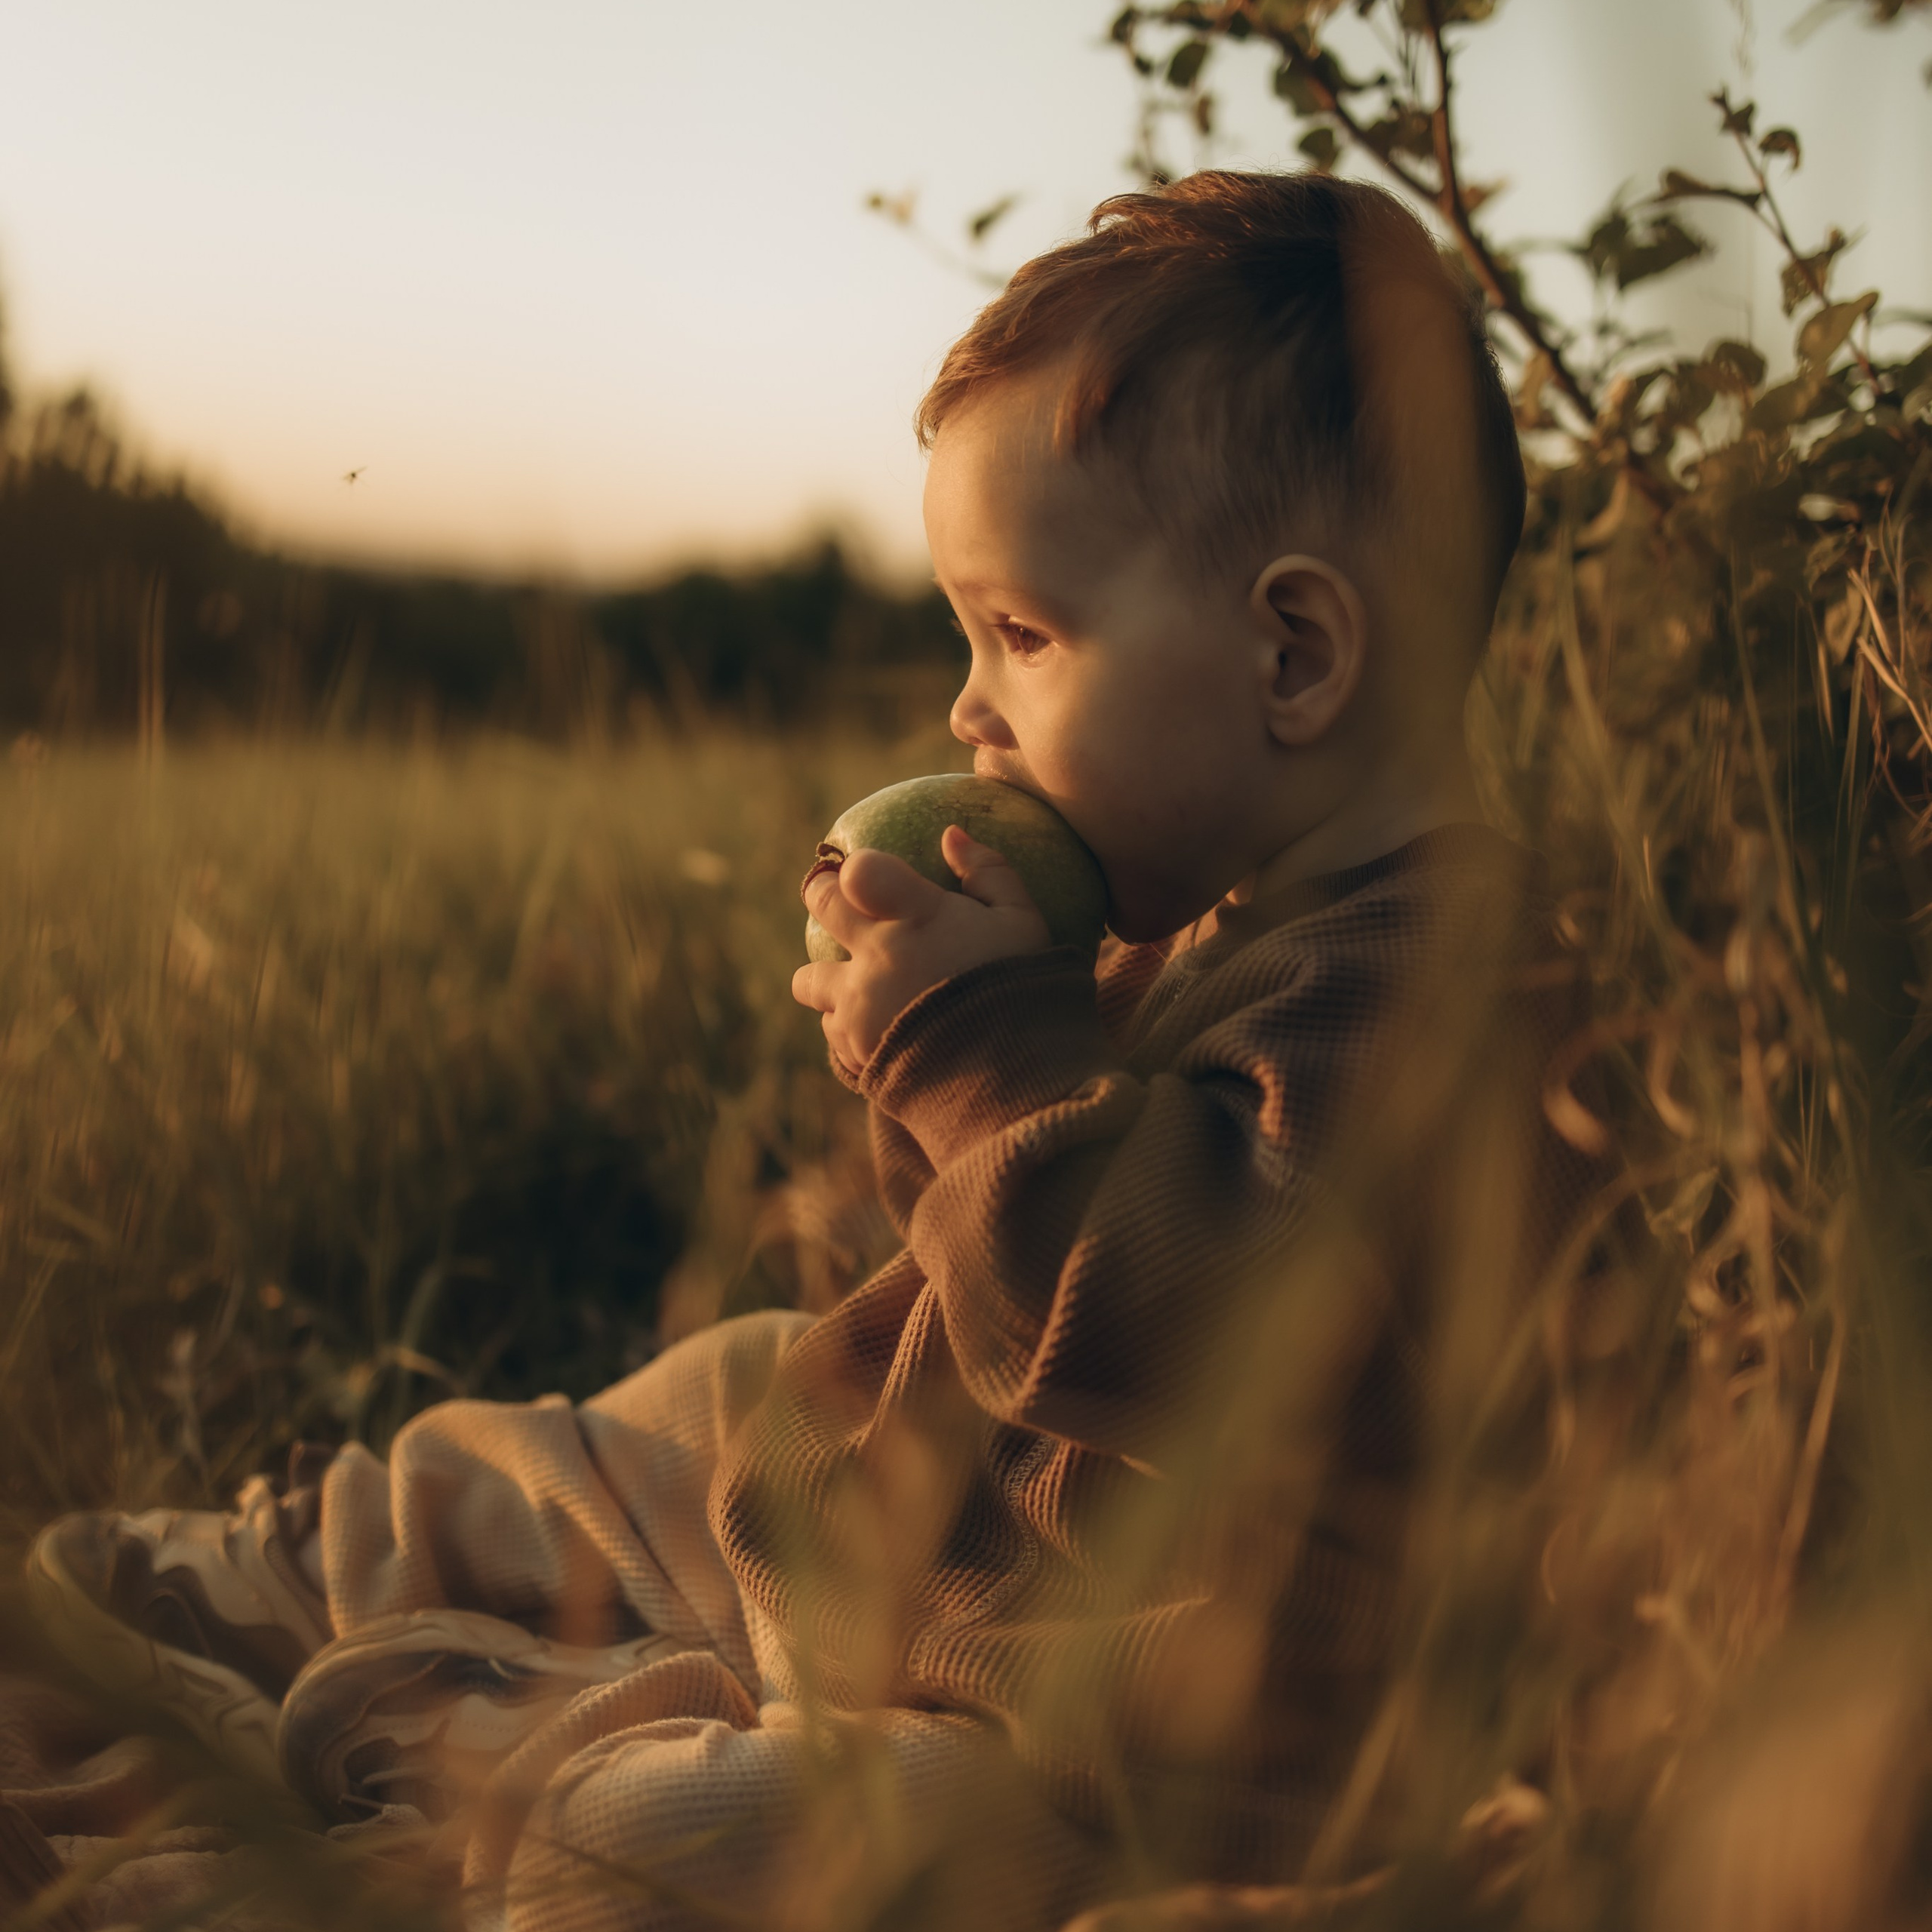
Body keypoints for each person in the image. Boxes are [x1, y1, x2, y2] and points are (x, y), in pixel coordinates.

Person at [26, 171, 1604, 1931]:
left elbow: (1174, 1319)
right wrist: (938, 1054)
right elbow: (992, 1255)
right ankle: (236, 1579)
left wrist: (975, 1039)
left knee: (664, 1853)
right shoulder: (1222, 921)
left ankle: (474, 1726)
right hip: (967, 1552)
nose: (963, 708)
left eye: (1021, 633)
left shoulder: (1436, 998)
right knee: (703, 1394)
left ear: (1292, 651)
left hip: (1096, 1746)